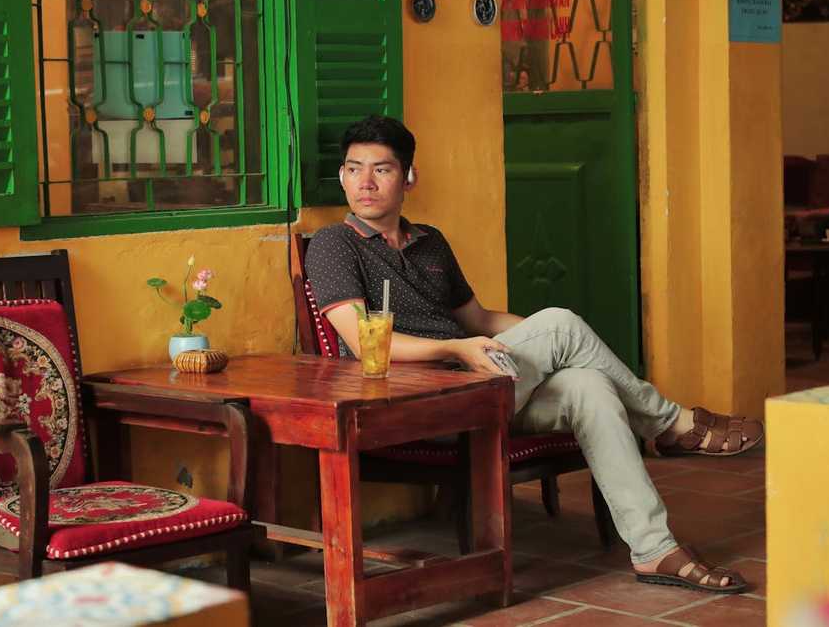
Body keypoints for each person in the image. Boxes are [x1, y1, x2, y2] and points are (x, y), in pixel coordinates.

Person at [305, 115, 764, 593]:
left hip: (484, 383)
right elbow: (363, 343)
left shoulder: (431, 242)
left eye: (381, 169)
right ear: (342, 176)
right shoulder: (334, 244)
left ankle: (654, 549)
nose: (365, 182)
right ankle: (670, 424)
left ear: (408, 178)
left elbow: (479, 320)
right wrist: (464, 347)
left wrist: (554, 343)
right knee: (562, 324)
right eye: (354, 169)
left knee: (591, 384)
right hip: (418, 401)